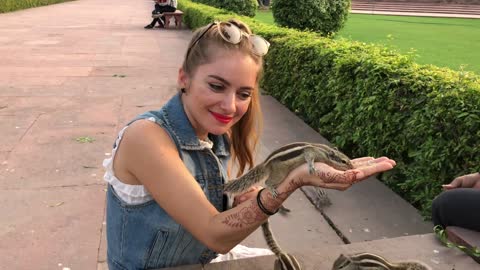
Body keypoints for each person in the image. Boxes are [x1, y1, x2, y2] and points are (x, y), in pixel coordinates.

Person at [103, 19, 397, 270]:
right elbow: (214, 233)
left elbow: (200, 210)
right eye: (216, 86)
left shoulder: (213, 133)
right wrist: (290, 182)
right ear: (184, 78)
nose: (230, 106)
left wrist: (239, 202)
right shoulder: (146, 138)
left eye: (244, 93)